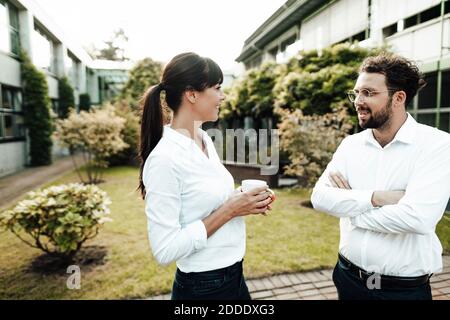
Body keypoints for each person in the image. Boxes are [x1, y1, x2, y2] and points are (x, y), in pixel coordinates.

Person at [311, 53, 450, 300]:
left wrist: (351, 211)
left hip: (401, 291)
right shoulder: (350, 145)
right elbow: (320, 197)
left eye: (369, 93)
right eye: (356, 93)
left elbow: (418, 219)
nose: (358, 101)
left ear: (398, 98)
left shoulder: (437, 145)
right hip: (347, 278)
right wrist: (376, 198)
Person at [138, 52, 274, 300]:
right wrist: (230, 210)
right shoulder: (164, 160)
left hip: (234, 276)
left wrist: (245, 199)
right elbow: (165, 250)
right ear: (191, 94)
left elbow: (205, 199)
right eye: (217, 88)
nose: (222, 96)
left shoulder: (203, 139)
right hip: (203, 288)